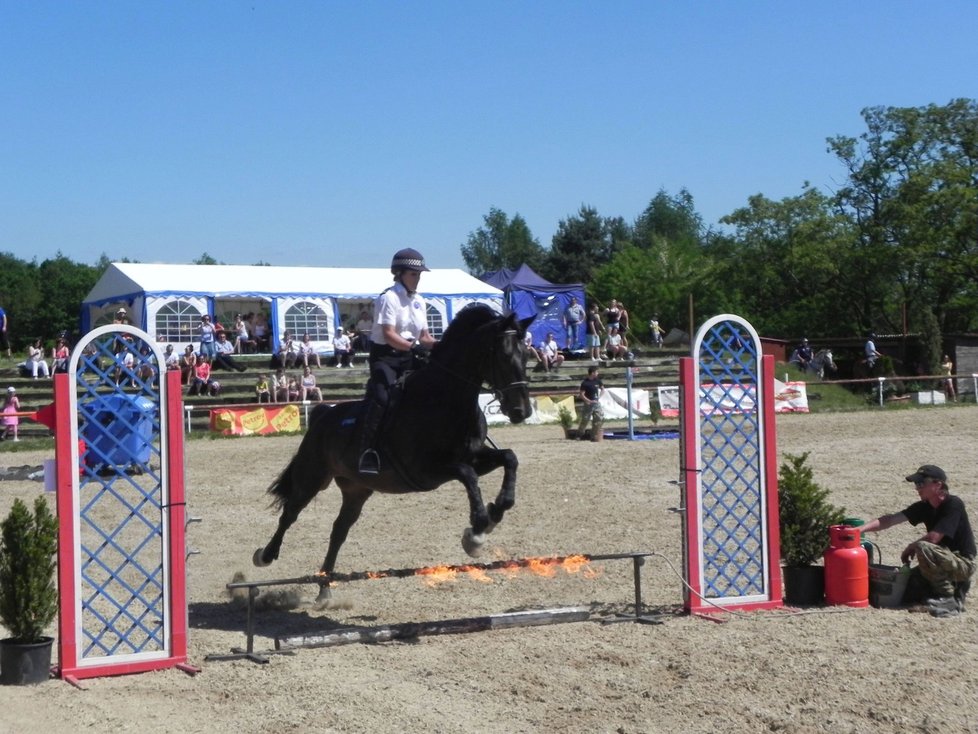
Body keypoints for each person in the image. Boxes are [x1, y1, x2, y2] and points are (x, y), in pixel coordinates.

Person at [359, 248, 436, 474]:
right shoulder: (388, 298)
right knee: (383, 398)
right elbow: (390, 334)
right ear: (399, 273)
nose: (418, 278)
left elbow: (425, 337)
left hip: (410, 355)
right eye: (414, 274)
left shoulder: (419, 301)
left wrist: (445, 344)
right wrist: (414, 347)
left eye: (419, 274)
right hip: (385, 357)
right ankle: (369, 451)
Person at [860, 464, 975, 616]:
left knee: (923, 546)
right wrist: (860, 529)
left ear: (937, 484)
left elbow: (933, 538)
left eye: (921, 483)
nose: (917, 488)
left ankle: (949, 599)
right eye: (916, 484)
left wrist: (911, 547)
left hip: (962, 563)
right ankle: (948, 592)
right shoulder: (924, 507)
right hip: (941, 561)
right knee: (905, 589)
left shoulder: (953, 504)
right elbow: (890, 520)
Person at [577, 365, 604, 440]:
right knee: (585, 419)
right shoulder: (585, 383)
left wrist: (599, 398)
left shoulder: (598, 380)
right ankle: (579, 434)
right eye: (596, 372)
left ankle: (594, 435)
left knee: (598, 418)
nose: (597, 373)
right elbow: (581, 394)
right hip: (588, 404)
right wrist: (588, 401)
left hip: (596, 403)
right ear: (592, 373)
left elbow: (602, 389)